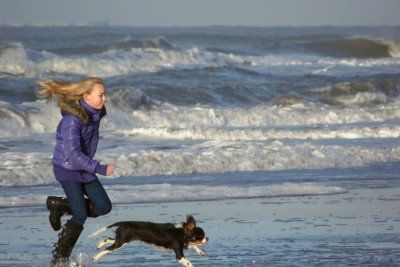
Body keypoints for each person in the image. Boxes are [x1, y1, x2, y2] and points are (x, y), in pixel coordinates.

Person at [36, 77, 115, 265]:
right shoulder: (72, 120)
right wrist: (99, 168)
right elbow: (73, 154)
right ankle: (60, 256)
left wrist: (91, 167)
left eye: (104, 95)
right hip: (67, 168)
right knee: (80, 214)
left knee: (104, 206)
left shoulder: (94, 115)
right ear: (86, 96)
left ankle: (60, 206)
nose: (104, 99)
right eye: (100, 95)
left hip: (83, 168)